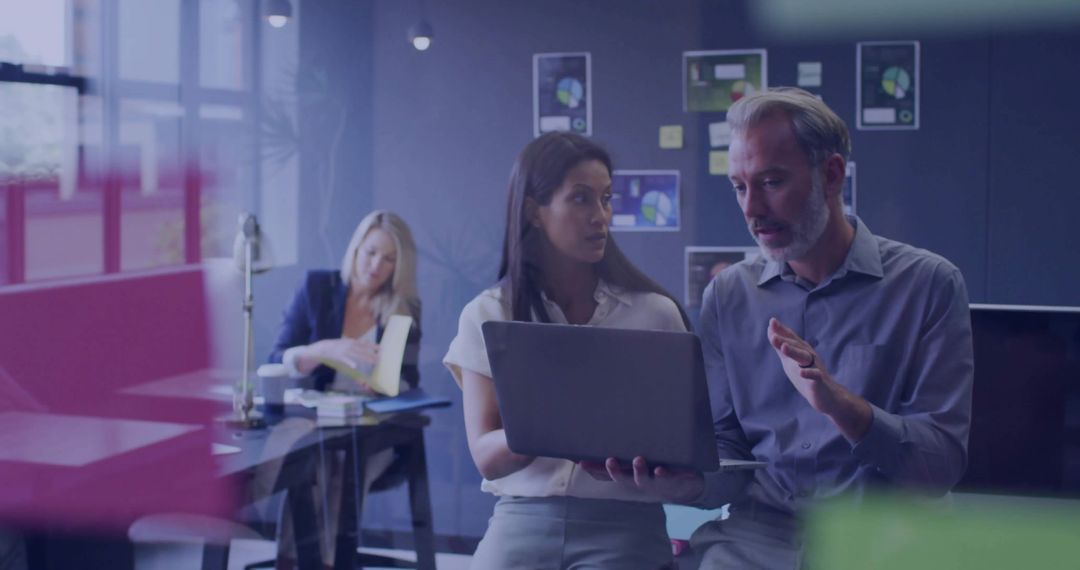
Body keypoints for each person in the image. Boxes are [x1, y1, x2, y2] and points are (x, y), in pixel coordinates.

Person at [593, 88, 974, 568]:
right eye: (739, 186)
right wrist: (681, 483)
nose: (752, 209)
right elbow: (729, 456)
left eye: (772, 181)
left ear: (831, 174)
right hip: (755, 541)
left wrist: (843, 408)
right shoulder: (728, 295)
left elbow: (940, 467)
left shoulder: (929, 284)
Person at [443, 132, 692, 569]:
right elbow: (486, 457)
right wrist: (570, 420)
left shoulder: (655, 314)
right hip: (521, 517)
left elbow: (682, 454)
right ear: (533, 212)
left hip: (625, 522)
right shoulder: (489, 313)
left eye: (606, 199)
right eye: (581, 199)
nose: (600, 216)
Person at [266, 209, 421, 569]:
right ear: (356, 248)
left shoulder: (403, 309)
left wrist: (386, 384)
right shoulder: (317, 288)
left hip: (371, 432)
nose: (376, 265)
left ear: (399, 266)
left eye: (389, 259)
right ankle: (292, 561)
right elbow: (277, 358)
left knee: (344, 462)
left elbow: (410, 380)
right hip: (316, 424)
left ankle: (332, 562)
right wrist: (321, 349)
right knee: (311, 462)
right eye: (371, 252)